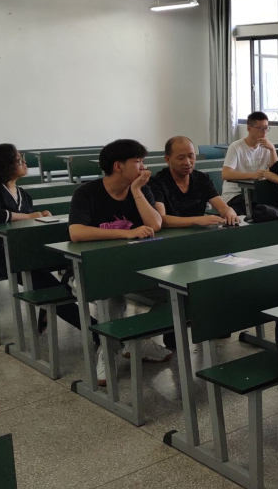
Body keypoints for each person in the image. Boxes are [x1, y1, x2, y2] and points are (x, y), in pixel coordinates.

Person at [68, 139, 170, 386]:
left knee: (174, 295)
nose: (143, 167)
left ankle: (136, 341)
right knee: (112, 297)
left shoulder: (141, 190)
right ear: (118, 166)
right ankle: (107, 353)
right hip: (90, 271)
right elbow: (76, 232)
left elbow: (156, 224)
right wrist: (126, 233)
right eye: (138, 162)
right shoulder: (87, 193)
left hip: (133, 269)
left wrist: (137, 192)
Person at [0, 144, 92, 338]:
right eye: (19, 159)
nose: (24, 162)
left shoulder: (22, 194)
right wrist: (29, 216)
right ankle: (95, 332)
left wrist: (41, 217)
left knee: (73, 260)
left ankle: (52, 302)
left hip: (25, 250)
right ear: (3, 164)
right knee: (50, 286)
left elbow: (28, 223)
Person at [150, 136, 239, 228]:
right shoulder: (157, 182)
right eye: (181, 158)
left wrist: (229, 212)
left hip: (198, 231)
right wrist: (196, 220)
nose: (187, 162)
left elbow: (222, 207)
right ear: (167, 159)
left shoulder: (202, 178)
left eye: (191, 156)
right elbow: (162, 219)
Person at [220, 111, 278, 216]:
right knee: (259, 211)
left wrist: (272, 149)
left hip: (257, 193)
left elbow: (276, 172)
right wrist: (252, 175)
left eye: (266, 128)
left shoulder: (267, 147)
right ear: (249, 128)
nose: (264, 132)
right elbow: (226, 174)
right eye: (260, 128)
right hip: (235, 195)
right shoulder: (236, 147)